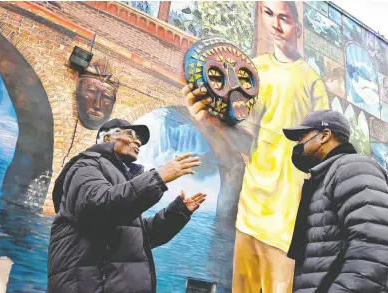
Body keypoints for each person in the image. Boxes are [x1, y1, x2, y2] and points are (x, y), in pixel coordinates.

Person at [182, 1, 328, 292]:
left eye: (284, 18)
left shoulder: (312, 81)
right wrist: (212, 119)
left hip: (286, 218)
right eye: (269, 15)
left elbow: (323, 151)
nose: (275, 24)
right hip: (250, 212)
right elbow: (244, 136)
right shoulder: (254, 69)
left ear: (298, 28)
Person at [48, 118, 207, 293]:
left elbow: (138, 238)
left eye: (139, 138)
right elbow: (97, 208)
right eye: (131, 134)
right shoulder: (86, 165)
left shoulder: (121, 177)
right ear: (107, 138)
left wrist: (177, 213)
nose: (138, 141)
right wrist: (157, 178)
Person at [283, 109, 388, 293]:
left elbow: (376, 245)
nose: (298, 145)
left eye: (301, 137)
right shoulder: (327, 177)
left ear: (324, 135)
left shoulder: (353, 168)